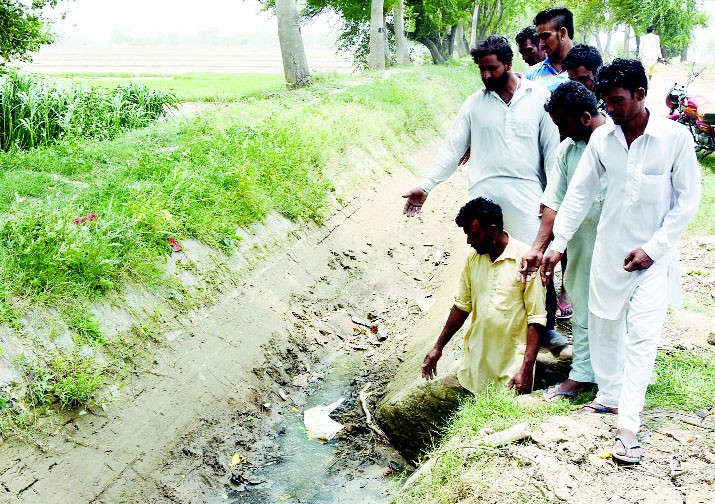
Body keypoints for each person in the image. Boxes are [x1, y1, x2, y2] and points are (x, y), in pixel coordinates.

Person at [541, 59, 701, 464]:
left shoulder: (675, 139)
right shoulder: (603, 140)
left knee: (642, 337)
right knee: (604, 325)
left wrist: (654, 247)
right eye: (605, 102)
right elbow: (577, 195)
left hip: (653, 258)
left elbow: (687, 202)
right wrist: (557, 244)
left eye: (617, 101)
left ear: (641, 95)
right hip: (608, 253)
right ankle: (610, 396)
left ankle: (629, 424)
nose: (609, 110)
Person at [400, 35, 565, 350]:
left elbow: (553, 154)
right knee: (489, 261)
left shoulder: (539, 97)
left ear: (508, 64)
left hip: (528, 194)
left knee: (534, 258)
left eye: (492, 69)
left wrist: (551, 201)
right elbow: (451, 149)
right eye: (482, 70)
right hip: (485, 198)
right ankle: (494, 328)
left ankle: (546, 329)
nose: (487, 76)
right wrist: (426, 186)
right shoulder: (474, 104)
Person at [518, 81, 609, 402]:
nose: (559, 133)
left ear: (585, 117)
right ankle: (582, 376)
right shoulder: (567, 151)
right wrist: (538, 248)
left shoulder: (618, 140)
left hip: (620, 246)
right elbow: (553, 204)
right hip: (580, 245)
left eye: (563, 125)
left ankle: (619, 375)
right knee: (583, 308)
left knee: (620, 310)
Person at [421, 198, 546, 395]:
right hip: (478, 363)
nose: (469, 241)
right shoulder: (473, 258)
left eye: (474, 235)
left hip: (511, 366)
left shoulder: (525, 260)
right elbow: (462, 306)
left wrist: (526, 368)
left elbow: (536, 318)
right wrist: (438, 348)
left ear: (493, 230)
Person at [527, 7, 574, 91]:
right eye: (539, 38)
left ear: (562, 33)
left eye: (545, 36)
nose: (541, 44)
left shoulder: (588, 70)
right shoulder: (531, 75)